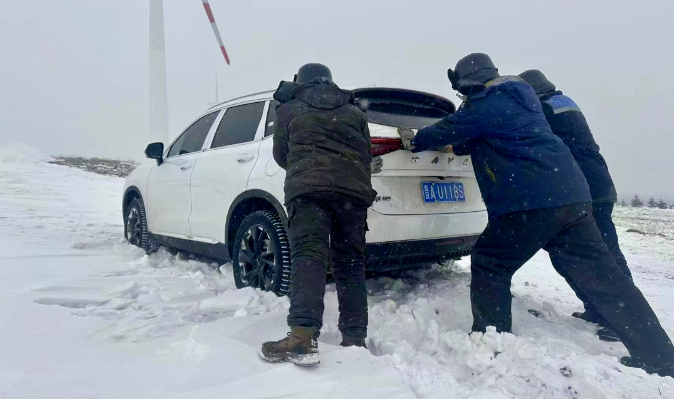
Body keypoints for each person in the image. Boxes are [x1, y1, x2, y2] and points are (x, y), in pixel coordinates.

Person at [398, 53, 674, 376]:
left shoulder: (484, 103)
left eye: (461, 93)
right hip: (572, 197)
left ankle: (493, 339)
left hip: (530, 204)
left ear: (469, 84)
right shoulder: (522, 98)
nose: (462, 99)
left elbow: (451, 128)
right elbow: (489, 134)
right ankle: (661, 356)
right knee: (609, 281)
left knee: (490, 261)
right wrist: (457, 147)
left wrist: (416, 139)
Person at [260, 63, 378, 366]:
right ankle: (355, 338)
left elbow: (281, 155)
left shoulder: (289, 108)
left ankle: (302, 337)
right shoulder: (354, 112)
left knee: (309, 256)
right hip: (353, 194)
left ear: (301, 82)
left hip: (309, 191)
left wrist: (310, 168)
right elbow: (366, 152)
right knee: (351, 263)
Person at [519, 69, 629, 340]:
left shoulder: (546, 110)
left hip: (585, 190)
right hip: (595, 187)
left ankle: (621, 321)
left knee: (605, 256)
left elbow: (520, 132)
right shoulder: (564, 103)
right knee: (584, 254)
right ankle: (600, 311)